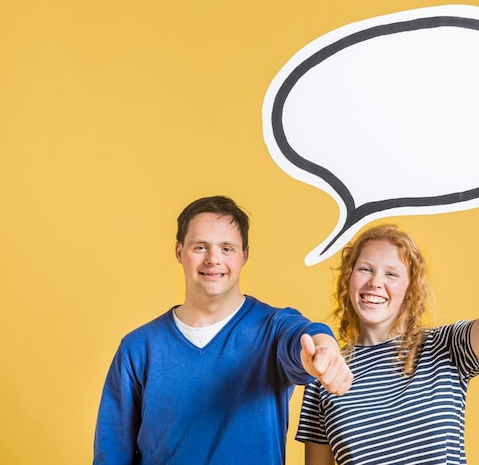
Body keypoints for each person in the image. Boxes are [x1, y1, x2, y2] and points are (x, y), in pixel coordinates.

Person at [296, 154, 479, 465]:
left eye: (392, 274)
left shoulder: (445, 348)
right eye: (365, 269)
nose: (375, 283)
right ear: (348, 279)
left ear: (410, 290)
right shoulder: (324, 376)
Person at [93, 195, 353, 465]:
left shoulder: (272, 329)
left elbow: (305, 336)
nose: (213, 259)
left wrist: (326, 349)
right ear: (179, 252)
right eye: (200, 247)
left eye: (227, 248)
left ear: (245, 255)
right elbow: (111, 454)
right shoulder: (137, 349)